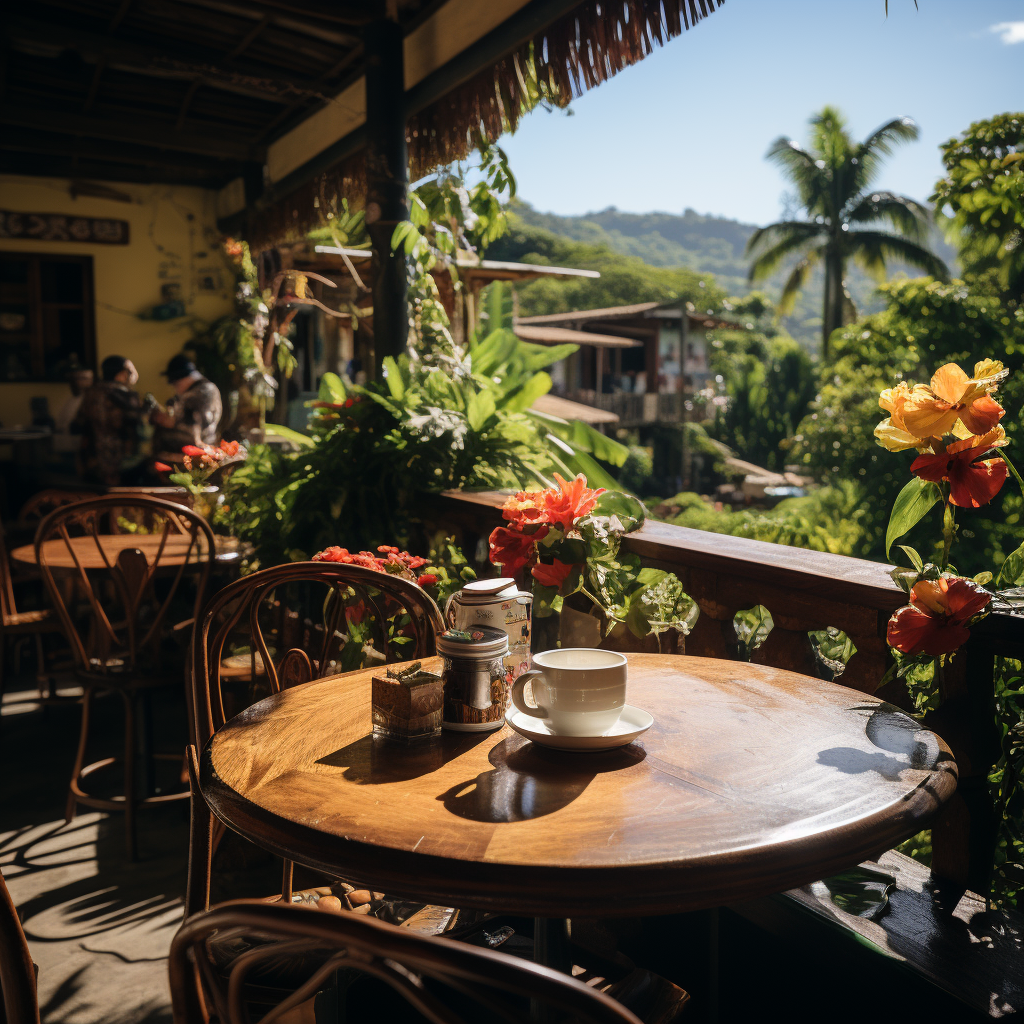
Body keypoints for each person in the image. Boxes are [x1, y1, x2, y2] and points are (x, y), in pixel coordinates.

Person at [73, 356, 143, 485]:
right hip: (121, 460)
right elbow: (138, 427)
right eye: (130, 371)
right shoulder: (125, 396)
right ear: (122, 374)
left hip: (92, 458)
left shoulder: (91, 392)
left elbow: (77, 424)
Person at [151, 354, 223, 451]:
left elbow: (191, 426)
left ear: (182, 378)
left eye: (175, 384)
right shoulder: (196, 390)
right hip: (195, 448)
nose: (175, 389)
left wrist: (170, 421)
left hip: (200, 450)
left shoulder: (204, 391)